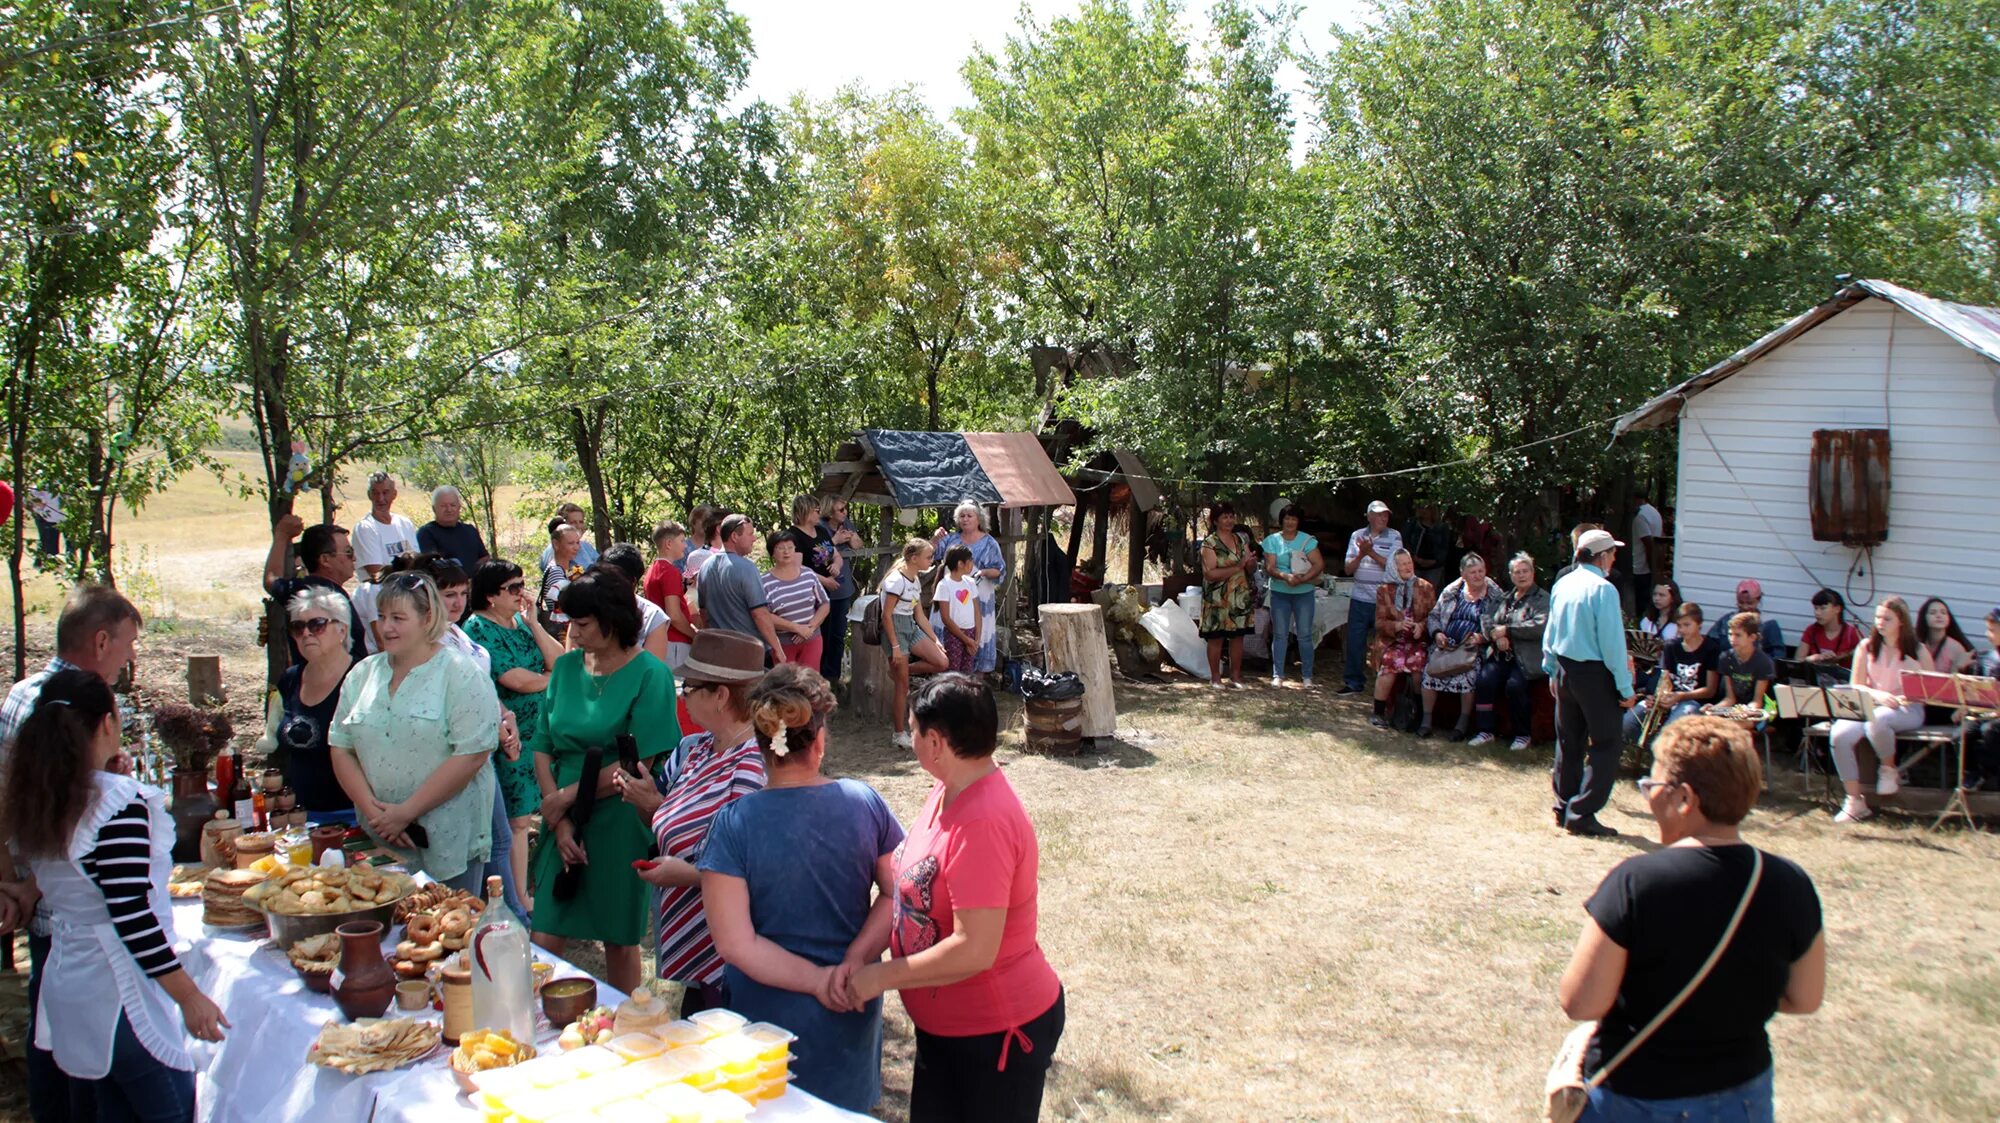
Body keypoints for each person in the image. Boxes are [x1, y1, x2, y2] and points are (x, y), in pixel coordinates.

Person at [1557, 717, 1824, 1122]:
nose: (1649, 797)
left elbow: (1580, 1001)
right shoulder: (1791, 882)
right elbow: (1804, 998)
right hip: (1743, 1096)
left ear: (1684, 798)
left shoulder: (1636, 881)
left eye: (1652, 786)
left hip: (1637, 1097)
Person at [3, 671, 231, 1123]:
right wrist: (188, 996)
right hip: (120, 988)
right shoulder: (116, 803)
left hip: (72, 979)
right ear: (107, 723)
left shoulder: (46, 797)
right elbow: (131, 916)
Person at [844, 673, 1065, 1123]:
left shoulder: (984, 821)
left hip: (994, 1035)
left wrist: (880, 977)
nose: (909, 737)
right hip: (950, 1035)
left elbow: (974, 948)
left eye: (913, 729)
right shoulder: (949, 788)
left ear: (937, 742)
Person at [700, 664, 903, 1113]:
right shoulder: (864, 803)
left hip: (766, 1020)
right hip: (850, 1001)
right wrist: (851, 963)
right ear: (820, 737)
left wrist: (816, 981)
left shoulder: (732, 825)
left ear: (760, 743)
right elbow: (897, 893)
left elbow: (734, 943)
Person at [0, 586, 143, 1122]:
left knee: (49, 1024)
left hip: (35, 891)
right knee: (77, 1050)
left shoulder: (22, 691)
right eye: (128, 642)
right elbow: (75, 822)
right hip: (71, 904)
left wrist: (12, 880)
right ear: (101, 640)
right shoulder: (74, 707)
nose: (131, 656)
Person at [530, 569, 680, 993]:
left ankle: (628, 1026)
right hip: (560, 811)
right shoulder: (565, 670)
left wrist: (567, 798)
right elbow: (542, 744)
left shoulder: (651, 675)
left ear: (612, 621)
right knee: (545, 932)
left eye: (582, 624)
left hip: (617, 815)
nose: (572, 634)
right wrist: (558, 817)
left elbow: (639, 763)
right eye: (569, 624)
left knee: (619, 937)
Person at [613, 630, 767, 1017]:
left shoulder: (754, 763)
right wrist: (647, 801)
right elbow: (669, 821)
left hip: (731, 948)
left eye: (690, 686)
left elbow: (752, 862)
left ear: (721, 695)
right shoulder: (691, 748)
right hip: (699, 942)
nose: (682, 693)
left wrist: (688, 874)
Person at [327, 572, 500, 890]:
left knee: (446, 930)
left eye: (398, 617)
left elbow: (472, 755)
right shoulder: (363, 674)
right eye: (381, 617)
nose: (386, 627)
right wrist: (375, 812)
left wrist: (407, 812)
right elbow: (341, 746)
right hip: (378, 839)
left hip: (447, 839)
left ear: (428, 617)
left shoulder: (460, 674)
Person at [465, 560, 563, 906]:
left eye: (523, 585)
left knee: (529, 816)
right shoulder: (478, 630)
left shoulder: (520, 623)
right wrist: (552, 679)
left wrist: (534, 623)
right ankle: (517, 896)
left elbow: (560, 659)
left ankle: (524, 887)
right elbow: (516, 680)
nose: (523, 593)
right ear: (491, 595)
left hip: (538, 731)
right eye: (513, 587)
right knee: (518, 819)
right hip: (508, 736)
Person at [1545, 529, 1634, 838]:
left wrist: (1551, 668)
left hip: (1566, 669)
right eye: (1611, 553)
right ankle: (1581, 812)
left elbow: (1551, 631)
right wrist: (1625, 688)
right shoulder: (1604, 590)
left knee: (1569, 741)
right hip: (1594, 674)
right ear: (1602, 556)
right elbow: (1612, 645)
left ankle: (1563, 805)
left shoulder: (1563, 583)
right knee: (1606, 743)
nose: (1613, 559)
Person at [255, 587, 359, 825]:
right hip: (298, 818)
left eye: (317, 624)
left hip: (354, 816)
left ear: (342, 629)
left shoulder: (362, 678)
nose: (306, 634)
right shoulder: (290, 679)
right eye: (297, 627)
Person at [1828, 597, 1933, 824]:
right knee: (1839, 735)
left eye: (1887, 618)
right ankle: (1854, 800)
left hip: (1907, 708)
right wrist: (1877, 695)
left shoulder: (1918, 649)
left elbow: (1931, 689)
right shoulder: (1866, 646)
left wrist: (1911, 686)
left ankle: (1888, 769)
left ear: (1901, 622)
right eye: (1877, 617)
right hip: (1870, 703)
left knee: (1877, 721)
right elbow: (1856, 685)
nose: (1880, 622)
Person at [1469, 553, 1549, 751]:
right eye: (1517, 572)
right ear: (1512, 576)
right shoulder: (1505, 598)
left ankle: (1522, 734)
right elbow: (1486, 618)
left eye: (1525, 571)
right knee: (1484, 680)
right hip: (1501, 655)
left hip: (1527, 658)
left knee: (1515, 686)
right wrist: (1497, 635)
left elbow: (1539, 625)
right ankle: (1485, 731)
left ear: (1532, 572)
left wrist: (1508, 631)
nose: (1522, 575)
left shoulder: (1542, 598)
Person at [264, 514, 367, 663]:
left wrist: (281, 535)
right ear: (325, 560)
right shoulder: (331, 597)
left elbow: (271, 579)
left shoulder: (299, 591)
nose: (354, 558)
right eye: (348, 553)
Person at [1419, 553, 1498, 740]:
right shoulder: (1451, 592)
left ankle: (1462, 725)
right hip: (1446, 646)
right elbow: (1434, 615)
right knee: (1430, 672)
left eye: (1481, 571)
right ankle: (1426, 721)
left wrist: (1482, 637)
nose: (1478, 576)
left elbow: (1499, 623)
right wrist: (1437, 633)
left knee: (1469, 674)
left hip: (1473, 649)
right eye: (1473, 572)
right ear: (1463, 574)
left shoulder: (1494, 595)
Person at [1623, 604, 1720, 746]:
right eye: (1679, 626)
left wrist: (1680, 696)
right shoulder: (1671, 646)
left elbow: (1710, 690)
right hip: (1671, 698)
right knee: (1627, 724)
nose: (1682, 630)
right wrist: (1658, 698)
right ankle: (1657, 749)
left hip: (1693, 701)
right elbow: (1665, 679)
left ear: (1699, 624)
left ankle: (1665, 752)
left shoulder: (1711, 648)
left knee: (1670, 730)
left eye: (1687, 625)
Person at [883, 539, 948, 747]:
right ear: (913, 558)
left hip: (910, 626)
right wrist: (894, 647)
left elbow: (919, 614)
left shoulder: (915, 579)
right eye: (928, 557)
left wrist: (935, 640)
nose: (932, 560)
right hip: (895, 629)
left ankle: (901, 670)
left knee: (941, 662)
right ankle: (898, 734)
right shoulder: (896, 581)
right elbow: (886, 616)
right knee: (902, 687)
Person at [699, 514, 787, 659]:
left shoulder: (705, 567)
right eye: (750, 534)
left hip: (719, 650)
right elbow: (760, 614)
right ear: (734, 536)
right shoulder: (747, 568)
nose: (754, 538)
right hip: (749, 652)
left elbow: (703, 613)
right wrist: (777, 648)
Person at [932, 502, 1006, 673]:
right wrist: (935, 539)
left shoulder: (989, 543)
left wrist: (984, 571)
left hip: (978, 595)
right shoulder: (951, 539)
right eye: (962, 516)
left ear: (979, 519)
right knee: (951, 632)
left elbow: (1000, 570)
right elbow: (931, 554)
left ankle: (975, 681)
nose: (965, 519)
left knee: (977, 632)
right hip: (951, 595)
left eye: (969, 516)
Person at [1340, 500, 1403, 695]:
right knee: (1355, 642)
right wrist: (1361, 554)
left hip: (1384, 600)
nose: (1383, 517)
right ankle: (1353, 683)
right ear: (1369, 516)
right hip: (1360, 597)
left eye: (1385, 515)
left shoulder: (1394, 536)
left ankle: (1383, 685)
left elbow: (1395, 567)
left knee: (1384, 642)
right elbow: (1348, 569)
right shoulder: (1357, 535)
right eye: (1378, 514)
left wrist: (1371, 553)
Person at [1370, 549, 1435, 729]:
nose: (1408, 567)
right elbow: (1379, 623)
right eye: (1402, 564)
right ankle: (1378, 712)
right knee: (1390, 662)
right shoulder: (1384, 590)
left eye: (1409, 563)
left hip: (1416, 641)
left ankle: (1418, 713)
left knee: (1418, 664)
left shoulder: (1426, 587)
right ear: (1394, 567)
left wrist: (1421, 626)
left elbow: (1435, 617)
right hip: (1392, 641)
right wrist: (1398, 626)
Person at [1262, 505, 1324, 688]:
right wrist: (1285, 577)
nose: (1290, 522)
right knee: (1280, 634)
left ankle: (1307, 676)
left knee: (1304, 635)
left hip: (1303, 593)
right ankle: (1278, 674)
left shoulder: (1308, 540)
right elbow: (1270, 567)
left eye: (1294, 519)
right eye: (1287, 518)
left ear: (1298, 521)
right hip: (1280, 592)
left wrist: (1303, 579)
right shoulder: (1272, 540)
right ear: (1281, 520)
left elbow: (1318, 564)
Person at [1198, 503, 1256, 690]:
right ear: (1215, 520)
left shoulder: (1240, 540)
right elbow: (1211, 574)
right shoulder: (1210, 543)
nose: (1229, 520)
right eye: (1224, 517)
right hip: (1217, 598)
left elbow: (1250, 568)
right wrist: (1238, 566)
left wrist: (1250, 563)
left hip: (1239, 597)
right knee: (1216, 638)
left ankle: (1236, 677)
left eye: (1231, 516)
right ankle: (1215, 678)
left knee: (1237, 637)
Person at [762, 533, 832, 668]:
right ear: (772, 553)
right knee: (786, 684)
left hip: (812, 640)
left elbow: (824, 603)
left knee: (810, 683)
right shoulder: (764, 581)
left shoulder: (808, 574)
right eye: (781, 548)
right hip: (783, 644)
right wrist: (796, 628)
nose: (786, 552)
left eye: (790, 547)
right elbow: (765, 615)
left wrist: (809, 628)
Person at [594, 545, 672, 662]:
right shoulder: (587, 608)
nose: (605, 585)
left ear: (633, 582)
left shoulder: (653, 617)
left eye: (613, 579)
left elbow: (651, 669)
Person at [819, 498, 864, 682]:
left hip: (842, 589)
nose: (845, 512)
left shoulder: (846, 523)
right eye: (841, 509)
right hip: (822, 589)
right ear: (829, 512)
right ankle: (819, 675)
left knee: (838, 634)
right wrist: (835, 540)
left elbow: (858, 545)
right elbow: (816, 553)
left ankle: (833, 677)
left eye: (846, 509)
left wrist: (851, 536)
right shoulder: (819, 527)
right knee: (823, 635)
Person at [642, 521, 697, 668]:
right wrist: (694, 635)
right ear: (668, 543)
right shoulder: (669, 572)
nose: (685, 545)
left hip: (659, 639)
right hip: (675, 643)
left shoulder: (652, 569)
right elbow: (673, 615)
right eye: (682, 540)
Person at [351, 471, 419, 579]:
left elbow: (418, 563)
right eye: (375, 493)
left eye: (385, 492)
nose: (380, 498)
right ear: (369, 495)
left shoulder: (405, 524)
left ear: (394, 494)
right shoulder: (365, 528)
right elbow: (376, 574)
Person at [1962, 607, 2000, 791]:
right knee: (1965, 731)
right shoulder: (1985, 658)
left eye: (1992, 630)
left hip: (1997, 717)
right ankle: (1972, 773)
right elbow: (1974, 689)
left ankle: (1987, 773)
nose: (1988, 634)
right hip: (1986, 712)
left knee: (1991, 731)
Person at [1705, 580, 1786, 660]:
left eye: (1750, 603)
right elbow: (1709, 643)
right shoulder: (1726, 620)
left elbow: (1778, 655)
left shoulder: (1768, 624)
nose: (1745, 607)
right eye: (1741, 602)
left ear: (1758, 600)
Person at [415, 485, 489, 570]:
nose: (449, 509)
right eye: (443, 506)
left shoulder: (470, 530)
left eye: (453, 505)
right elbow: (432, 565)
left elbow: (484, 557)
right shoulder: (426, 533)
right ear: (434, 509)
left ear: (459, 507)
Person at [1717, 612, 1777, 710]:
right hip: (1734, 709)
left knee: (1737, 724)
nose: (1732, 639)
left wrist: (1744, 712)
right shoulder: (1725, 657)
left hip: (1760, 711)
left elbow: (1757, 702)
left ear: (1752, 637)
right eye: (1730, 634)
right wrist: (1713, 709)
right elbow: (1729, 699)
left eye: (1738, 635)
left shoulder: (1763, 662)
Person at [540, 518, 584, 638]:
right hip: (563, 634)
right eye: (570, 543)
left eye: (577, 542)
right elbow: (566, 607)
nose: (576, 547)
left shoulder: (570, 569)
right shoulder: (555, 572)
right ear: (556, 544)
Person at [1797, 588, 1861, 666]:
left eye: (1823, 608)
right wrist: (1813, 658)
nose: (1817, 613)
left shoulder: (1850, 632)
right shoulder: (1811, 630)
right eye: (1815, 608)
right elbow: (1798, 660)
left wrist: (1842, 657)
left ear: (1837, 609)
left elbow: (1863, 657)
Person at [1627, 491, 1664, 616]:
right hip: (1649, 564)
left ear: (1636, 499)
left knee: (1641, 600)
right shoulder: (1654, 512)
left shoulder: (1640, 517)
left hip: (1641, 566)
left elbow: (1648, 542)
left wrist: (1651, 565)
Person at [1401, 504, 1452, 593]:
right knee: (1412, 594)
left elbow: (1445, 548)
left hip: (1434, 567)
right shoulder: (1412, 524)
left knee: (1429, 594)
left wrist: (1435, 561)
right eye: (1421, 508)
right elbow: (1405, 542)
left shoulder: (1442, 527)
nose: (1424, 511)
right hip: (1414, 565)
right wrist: (1414, 557)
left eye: (1427, 508)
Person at [1916, 597, 1975, 673]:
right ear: (1924, 618)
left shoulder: (1955, 648)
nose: (1939, 616)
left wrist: (1956, 667)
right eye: (1932, 612)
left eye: (1943, 612)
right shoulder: (1918, 646)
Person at [538, 502, 600, 570]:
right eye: (573, 522)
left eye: (581, 522)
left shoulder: (587, 547)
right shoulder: (554, 550)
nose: (578, 526)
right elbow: (565, 575)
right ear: (561, 525)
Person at [1639, 580, 1682, 645]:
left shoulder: (1680, 623)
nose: (1657, 598)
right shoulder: (1647, 620)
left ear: (1672, 598)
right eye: (1655, 594)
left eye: (1662, 595)